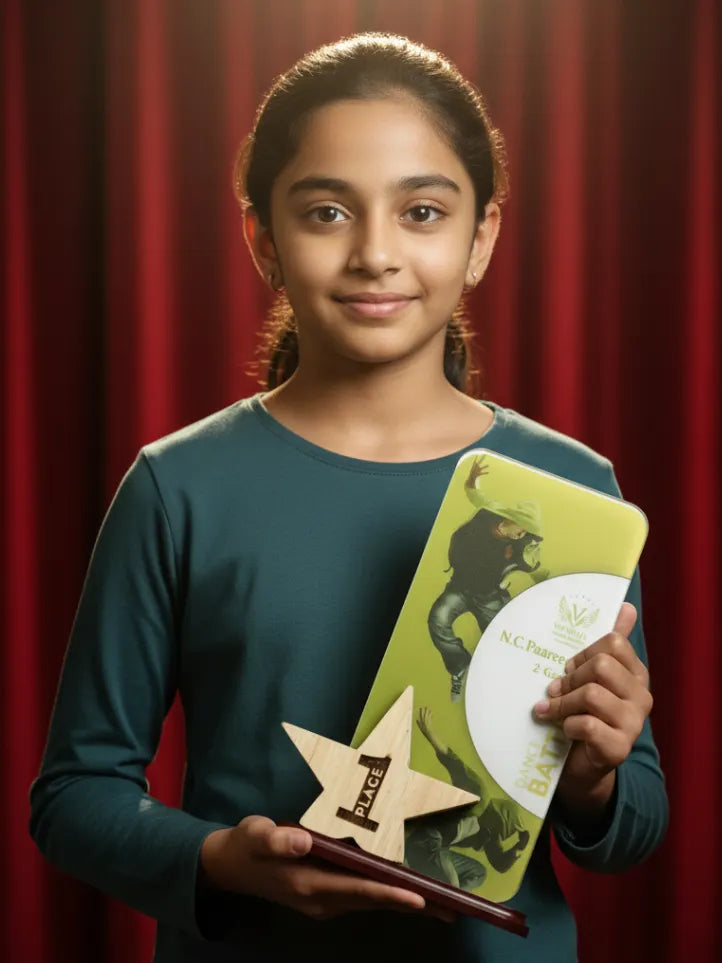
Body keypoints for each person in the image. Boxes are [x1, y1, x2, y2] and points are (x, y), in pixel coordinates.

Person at [29, 33, 667, 963]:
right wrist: (217, 858)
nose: (376, 253)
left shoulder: (574, 487)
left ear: (480, 236)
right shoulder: (177, 485)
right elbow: (75, 794)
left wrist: (597, 779)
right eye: (327, 210)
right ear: (264, 239)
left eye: (421, 211)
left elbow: (634, 825)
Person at [428, 454, 548, 701]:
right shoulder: (487, 514)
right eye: (522, 528)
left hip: (490, 597)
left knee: (502, 643)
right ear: (510, 519)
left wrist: (535, 563)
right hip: (459, 588)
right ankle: (460, 665)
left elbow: (536, 571)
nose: (523, 534)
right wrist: (472, 478)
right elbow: (473, 493)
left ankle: (500, 692)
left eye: (528, 532)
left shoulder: (524, 545)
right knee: (437, 621)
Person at [406, 708, 530, 889]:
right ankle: (447, 893)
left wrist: (518, 846)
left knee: (479, 873)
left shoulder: (488, 833)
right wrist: (430, 734)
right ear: (499, 817)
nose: (500, 835)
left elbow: (498, 863)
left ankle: (448, 896)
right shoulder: (480, 795)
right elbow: (455, 764)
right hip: (426, 839)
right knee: (451, 884)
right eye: (504, 829)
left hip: (440, 851)